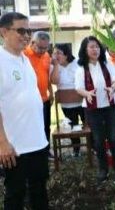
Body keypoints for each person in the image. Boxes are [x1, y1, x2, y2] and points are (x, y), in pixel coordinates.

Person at [0, 12, 49, 209]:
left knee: (40, 191)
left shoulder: (25, 59)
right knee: (15, 195)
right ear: (4, 32)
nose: (27, 35)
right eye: (21, 30)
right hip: (15, 147)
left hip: (37, 142)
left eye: (28, 31)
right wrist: (2, 143)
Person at [75, 36, 115, 184]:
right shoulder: (81, 68)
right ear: (85, 50)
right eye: (91, 47)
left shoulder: (107, 64)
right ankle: (103, 169)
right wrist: (87, 94)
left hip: (110, 107)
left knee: (113, 139)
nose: (95, 49)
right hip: (92, 109)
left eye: (97, 46)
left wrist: (113, 87)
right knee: (98, 140)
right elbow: (78, 88)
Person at [24, 31, 57, 159]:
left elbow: (47, 75)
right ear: (32, 43)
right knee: (32, 126)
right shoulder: (24, 55)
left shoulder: (46, 56)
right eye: (40, 47)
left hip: (44, 98)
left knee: (45, 125)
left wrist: (51, 91)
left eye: (46, 47)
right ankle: (33, 152)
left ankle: (46, 150)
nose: (43, 50)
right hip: (29, 100)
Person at [51, 43, 85, 157]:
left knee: (87, 124)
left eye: (58, 53)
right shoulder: (54, 66)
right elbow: (54, 81)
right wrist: (55, 65)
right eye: (54, 53)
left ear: (66, 55)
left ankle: (93, 146)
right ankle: (76, 149)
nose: (56, 55)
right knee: (72, 126)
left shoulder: (77, 64)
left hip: (82, 101)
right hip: (66, 104)